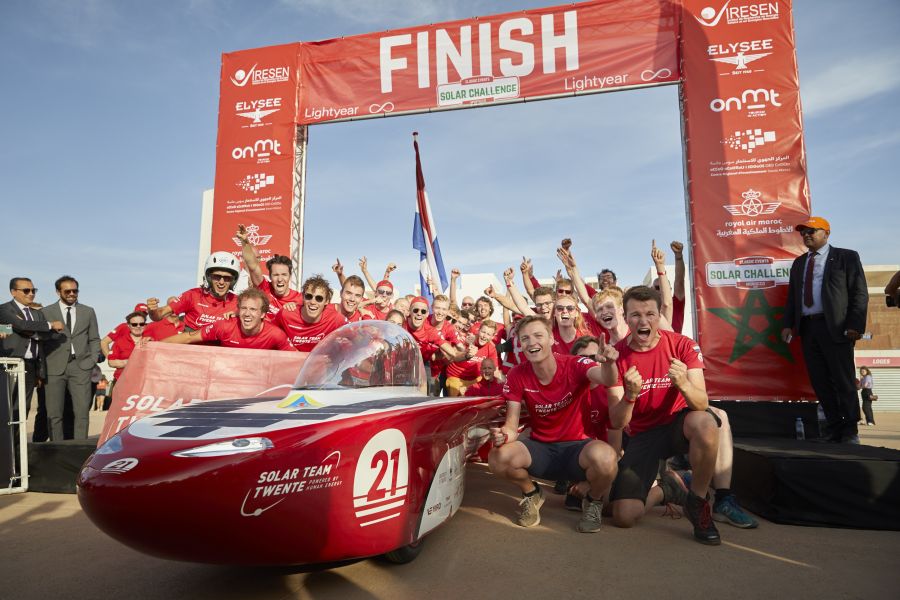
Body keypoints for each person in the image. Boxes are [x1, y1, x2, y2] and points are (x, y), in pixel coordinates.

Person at [603, 285, 722, 545]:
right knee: (623, 516)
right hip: (643, 435)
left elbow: (702, 402)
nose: (643, 321)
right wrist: (630, 395)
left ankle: (698, 501)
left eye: (650, 314)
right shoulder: (617, 356)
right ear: (625, 318)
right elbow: (617, 421)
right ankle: (669, 488)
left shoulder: (683, 345)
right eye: (635, 315)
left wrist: (683, 384)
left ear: (659, 316)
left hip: (678, 425)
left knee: (705, 422)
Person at [489, 315, 619, 533]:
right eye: (525, 338)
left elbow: (607, 379)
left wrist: (609, 363)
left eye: (538, 336)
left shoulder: (574, 364)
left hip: (577, 448)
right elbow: (511, 426)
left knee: (606, 458)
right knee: (497, 457)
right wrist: (503, 435)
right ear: (520, 345)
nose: (532, 342)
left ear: (551, 339)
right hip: (541, 449)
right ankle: (532, 494)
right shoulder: (516, 374)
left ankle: (593, 501)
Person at [781, 216, 868, 444]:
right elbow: (793, 298)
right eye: (803, 232)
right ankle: (834, 428)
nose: (806, 235)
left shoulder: (846, 257)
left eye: (812, 231)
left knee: (843, 380)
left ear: (826, 233)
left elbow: (859, 293)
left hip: (836, 328)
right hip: (808, 327)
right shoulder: (799, 263)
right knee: (820, 381)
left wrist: (855, 325)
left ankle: (850, 430)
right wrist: (788, 324)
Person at [0, 278, 64, 440]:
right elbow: (20, 325)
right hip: (10, 365)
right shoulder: (5, 309)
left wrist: (31, 330)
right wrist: (49, 325)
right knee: (7, 409)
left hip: (30, 366)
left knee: (22, 409)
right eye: (26, 290)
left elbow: (48, 335)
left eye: (33, 290)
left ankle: (16, 448)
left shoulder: (37, 314)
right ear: (13, 292)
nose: (31, 294)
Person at [41, 276, 101, 440]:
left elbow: (94, 338)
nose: (72, 294)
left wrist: (92, 360)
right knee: (54, 413)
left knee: (82, 412)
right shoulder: (46, 312)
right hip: (54, 367)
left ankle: (80, 448)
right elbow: (41, 340)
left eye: (75, 291)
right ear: (58, 292)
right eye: (67, 291)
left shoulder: (88, 311)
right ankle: (57, 448)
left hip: (81, 366)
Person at [162, 288, 293, 351]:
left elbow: (296, 359)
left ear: (263, 314)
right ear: (238, 310)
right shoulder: (224, 326)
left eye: (253, 309)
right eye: (244, 308)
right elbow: (188, 337)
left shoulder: (276, 334)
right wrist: (154, 346)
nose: (247, 314)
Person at [148, 251, 240, 331]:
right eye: (217, 276)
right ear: (209, 277)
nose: (221, 282)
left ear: (233, 280)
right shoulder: (193, 295)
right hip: (190, 345)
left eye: (227, 278)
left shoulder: (238, 302)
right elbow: (158, 315)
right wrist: (152, 311)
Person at [237, 224, 304, 321]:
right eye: (276, 275)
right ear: (270, 277)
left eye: (284, 275)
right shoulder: (264, 288)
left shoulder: (300, 299)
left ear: (290, 276)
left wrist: (297, 309)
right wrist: (245, 242)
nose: (280, 279)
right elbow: (253, 266)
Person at [275, 275, 345, 351]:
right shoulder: (286, 314)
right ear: (303, 297)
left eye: (319, 298)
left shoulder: (336, 319)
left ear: (326, 301)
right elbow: (270, 332)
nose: (313, 302)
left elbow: (352, 338)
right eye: (308, 296)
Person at [446, 319, 498, 396]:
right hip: (456, 377)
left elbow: (495, 370)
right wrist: (467, 355)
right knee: (458, 401)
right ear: (478, 330)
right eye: (483, 332)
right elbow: (453, 357)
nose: (484, 336)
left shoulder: (491, 348)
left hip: (475, 379)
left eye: (488, 334)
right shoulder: (468, 339)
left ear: (492, 337)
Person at [107, 311, 147, 384]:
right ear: (128, 325)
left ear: (145, 325)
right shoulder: (119, 342)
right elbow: (111, 362)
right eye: (134, 324)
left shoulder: (151, 341)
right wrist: (131, 362)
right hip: (122, 381)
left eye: (141, 324)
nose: (138, 326)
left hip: (145, 382)